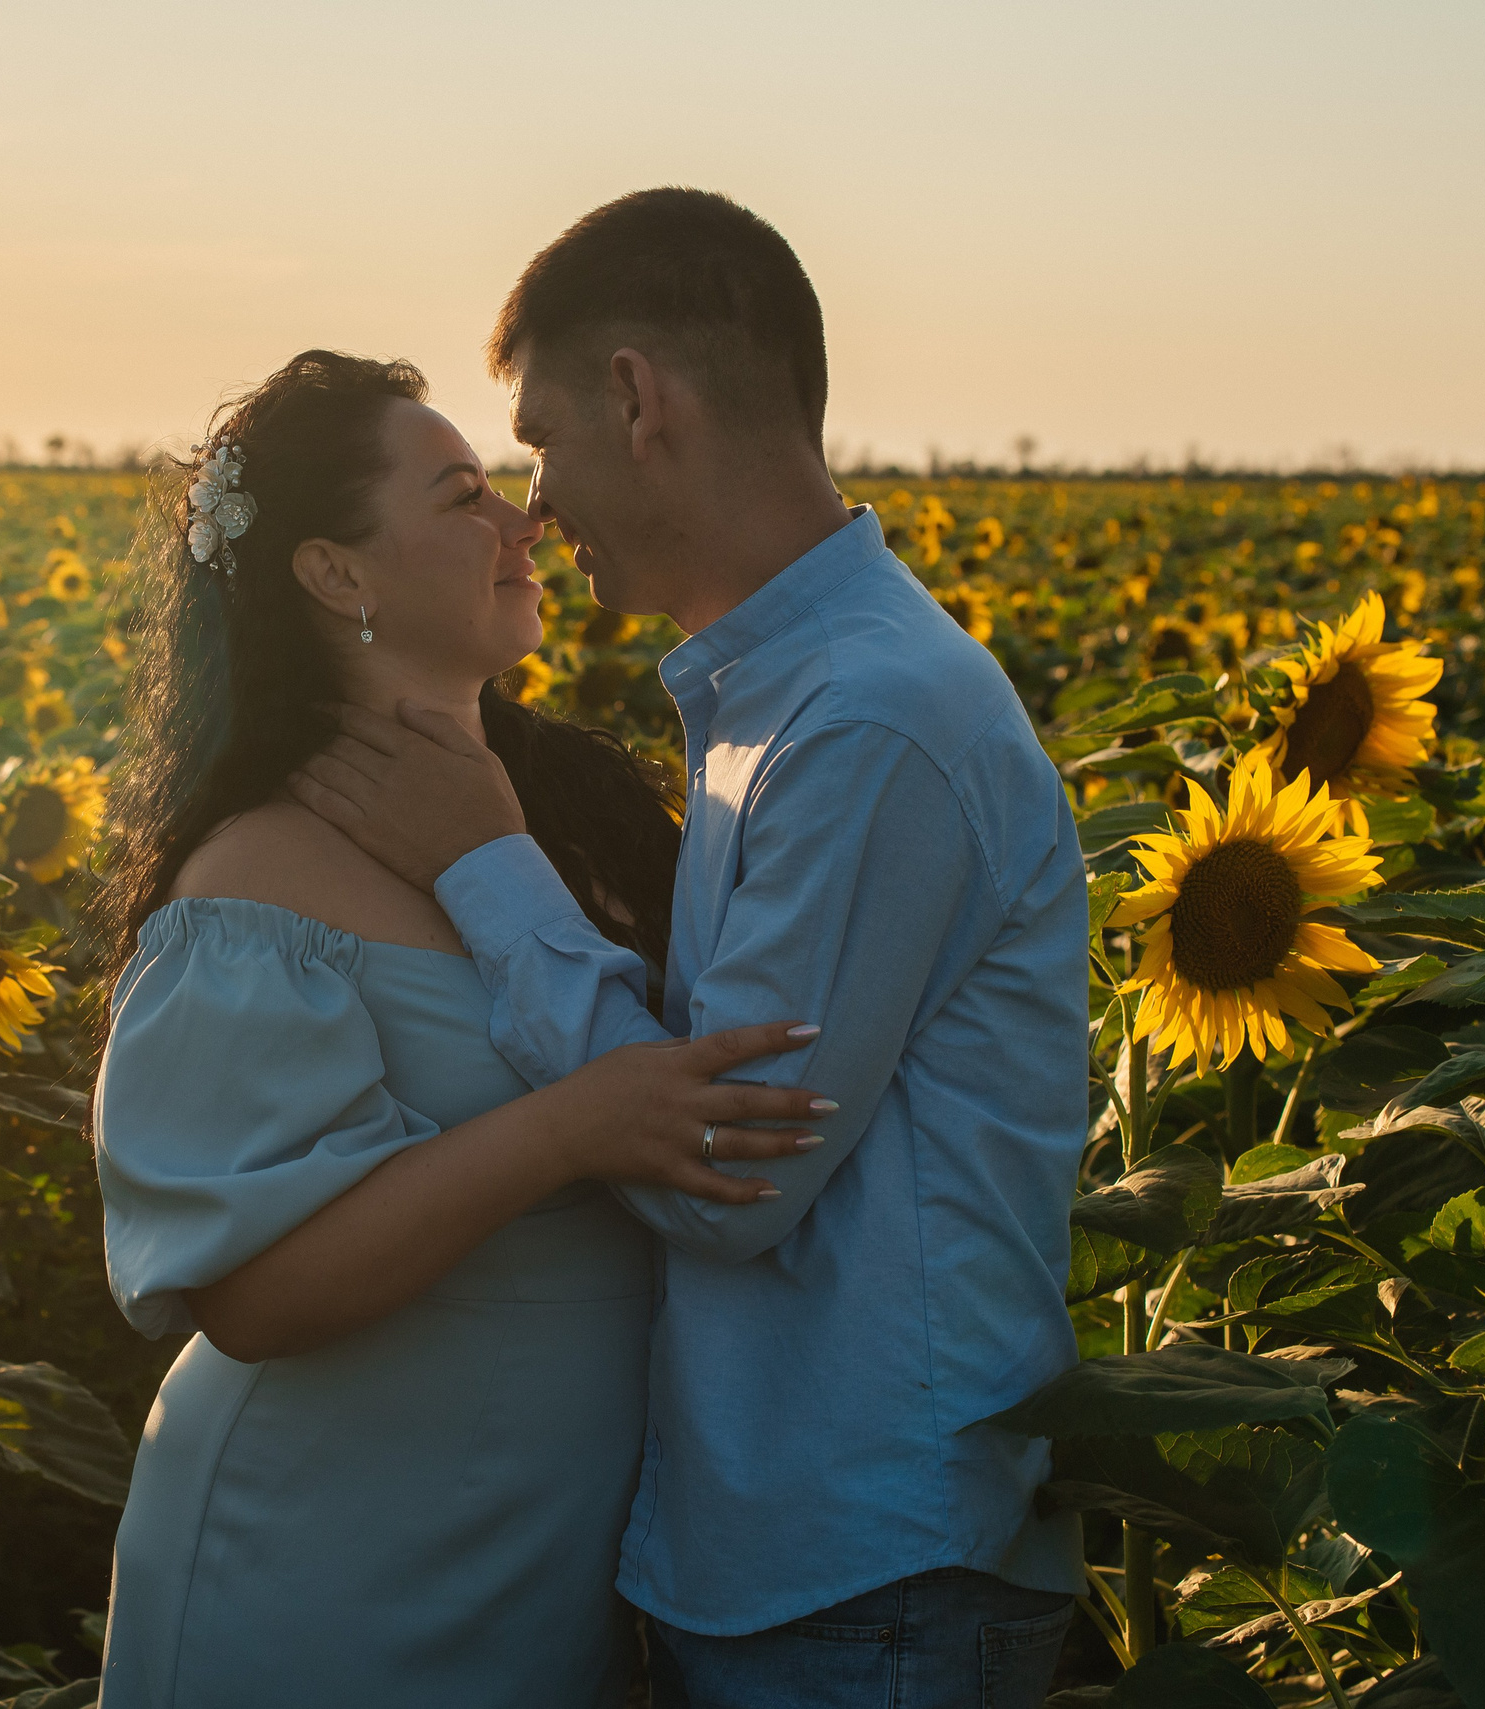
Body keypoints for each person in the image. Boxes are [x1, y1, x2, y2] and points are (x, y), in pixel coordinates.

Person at [290, 188, 1088, 1708]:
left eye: (538, 443)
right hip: (799, 1552)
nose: (534, 509)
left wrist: (483, 863)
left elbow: (728, 1169)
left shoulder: (865, 722)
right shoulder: (780, 700)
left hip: (866, 1568)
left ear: (637, 398)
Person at [86, 350, 834, 1708]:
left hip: (545, 1559)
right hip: (320, 1561)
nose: (523, 520)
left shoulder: (576, 814)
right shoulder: (257, 878)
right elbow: (252, 1293)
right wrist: (567, 1130)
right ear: (335, 574)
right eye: (461, 496)